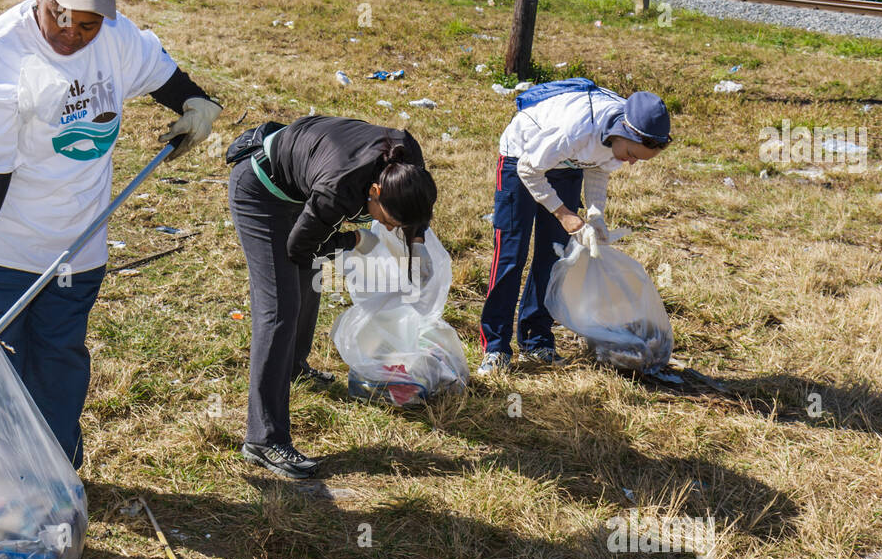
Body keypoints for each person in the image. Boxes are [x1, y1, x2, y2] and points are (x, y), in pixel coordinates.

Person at [0, 0, 221, 469]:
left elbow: (163, 74)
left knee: (59, 357)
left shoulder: (115, 39)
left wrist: (194, 102)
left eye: (88, 24)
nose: (73, 34)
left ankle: (54, 475)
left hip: (78, 238)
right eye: (62, 16)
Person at [227, 116, 438, 480]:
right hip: (259, 189)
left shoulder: (408, 161)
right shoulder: (339, 187)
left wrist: (417, 243)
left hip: (300, 186)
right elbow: (300, 248)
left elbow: (414, 208)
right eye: (389, 221)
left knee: (309, 283)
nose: (390, 229)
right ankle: (263, 438)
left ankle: (292, 366)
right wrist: (352, 240)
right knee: (279, 308)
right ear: (374, 192)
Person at [477, 83, 671, 375]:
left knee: (554, 254)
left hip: (569, 164)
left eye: (638, 159)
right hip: (524, 155)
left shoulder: (619, 140)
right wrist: (563, 213)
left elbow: (598, 168)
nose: (631, 162)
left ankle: (536, 338)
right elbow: (529, 170)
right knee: (511, 253)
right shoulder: (577, 128)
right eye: (631, 153)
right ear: (622, 132)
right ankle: (495, 347)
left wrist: (595, 215)